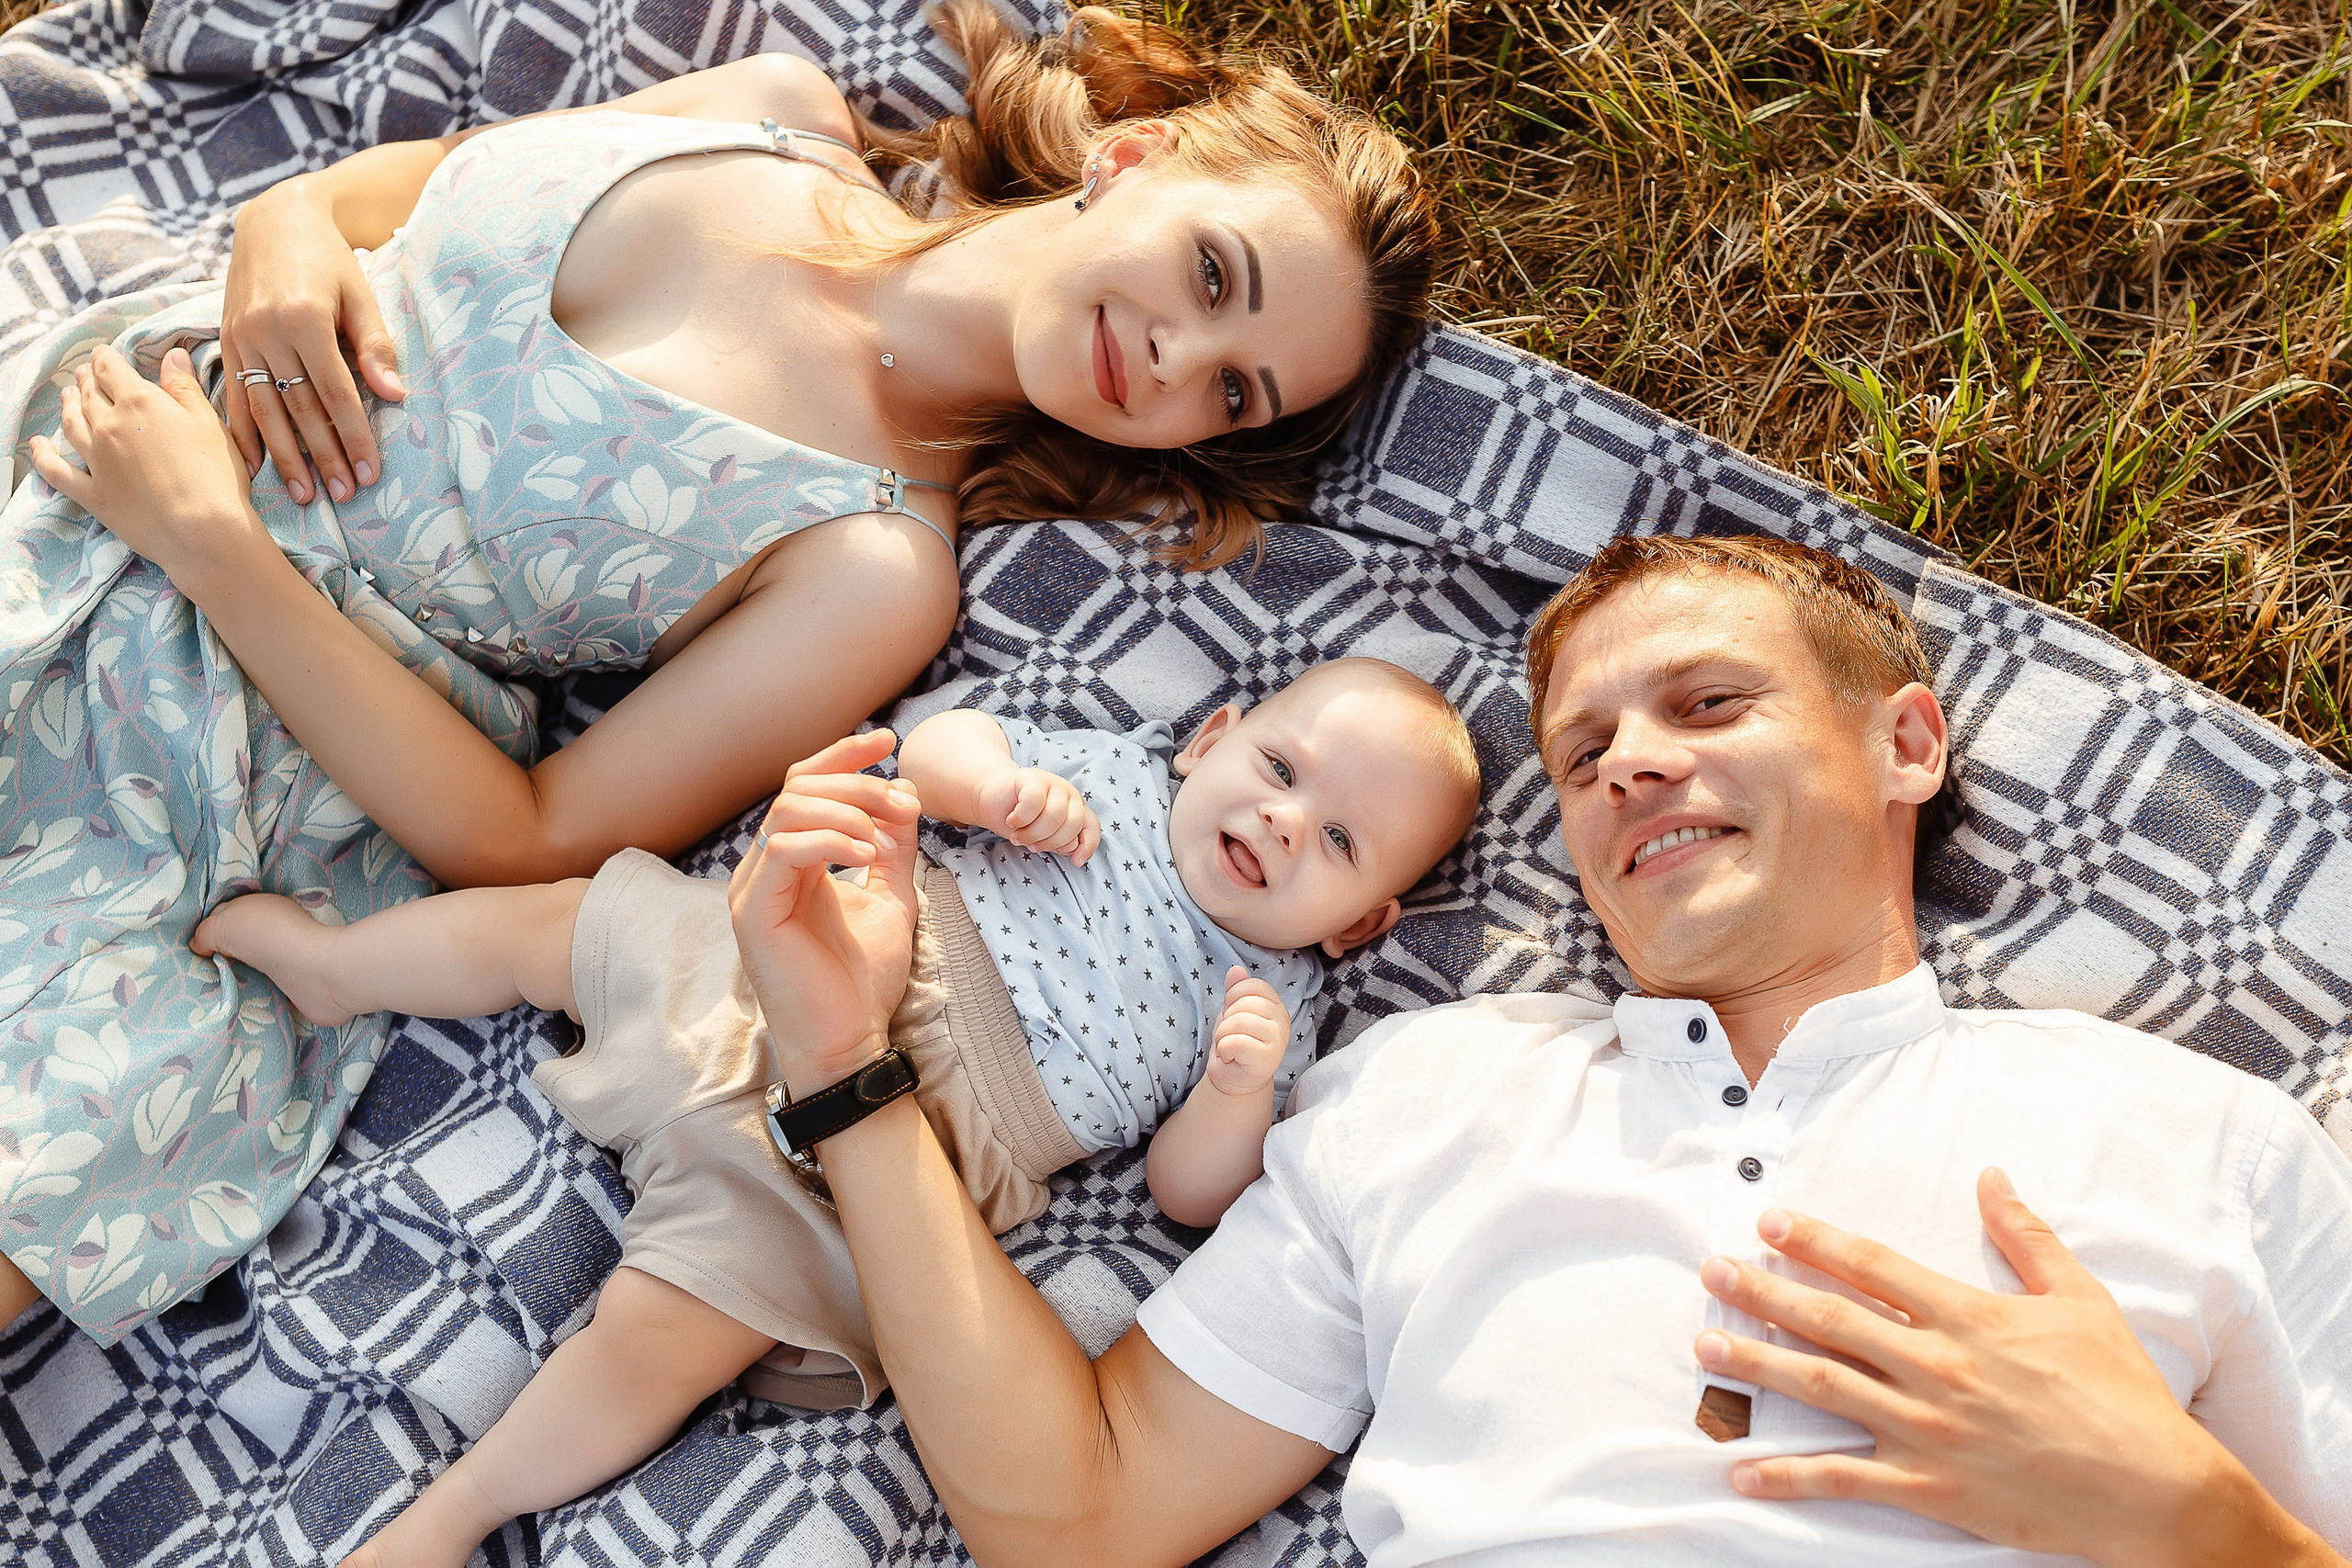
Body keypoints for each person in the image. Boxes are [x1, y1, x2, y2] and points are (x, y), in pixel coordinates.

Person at [0, 2, 1440, 1340]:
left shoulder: (877, 567)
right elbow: (390, 194)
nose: (1179, 356)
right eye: (1209, 273)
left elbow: (526, 836)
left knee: (76, 1110)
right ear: (1129, 159)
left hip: (212, 727)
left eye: (1231, 391)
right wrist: (284, 223)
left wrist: (211, 540)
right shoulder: (771, 108)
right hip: (91, 430)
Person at [720, 535, 2352, 1566]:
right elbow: (1071, 1514)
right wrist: (846, 1063)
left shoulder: (2207, 1143)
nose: (1633, 763)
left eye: (1709, 705)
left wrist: (2195, 1524)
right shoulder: (1428, 1093)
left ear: (1906, 742)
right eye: (1582, 754)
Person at [194, 655, 1479, 1565]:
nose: (1283, 819)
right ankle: (339, 972)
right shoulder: (1114, 780)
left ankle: (456, 1514)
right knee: (575, 921)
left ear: (1360, 925)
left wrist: (1236, 1091)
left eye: (1341, 842)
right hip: (814, 956)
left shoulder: (1274, 1005)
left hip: (914, 1139)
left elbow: (1185, 1196)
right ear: (1213, 738)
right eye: (1280, 767)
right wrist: (991, 791)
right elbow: (938, 744)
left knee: (675, 1328)